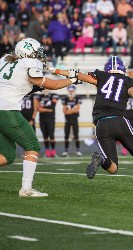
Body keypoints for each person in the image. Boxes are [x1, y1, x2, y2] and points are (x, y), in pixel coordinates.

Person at [48, 56, 133, 195]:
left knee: (113, 168)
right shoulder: (128, 81)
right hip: (120, 121)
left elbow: (78, 74)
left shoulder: (101, 76)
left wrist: (55, 70)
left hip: (102, 125)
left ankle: (102, 160)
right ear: (123, 69)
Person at [0, 37, 79, 197]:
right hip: (7, 110)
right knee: (32, 145)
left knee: (7, 155)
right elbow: (53, 85)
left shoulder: (4, 60)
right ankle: (26, 189)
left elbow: (19, 84)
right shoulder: (29, 63)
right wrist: (72, 79)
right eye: (36, 53)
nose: (39, 56)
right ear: (28, 53)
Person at [36, 89, 59, 158]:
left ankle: (53, 151)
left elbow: (52, 107)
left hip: (51, 119)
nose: (45, 89)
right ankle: (47, 152)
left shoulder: (54, 95)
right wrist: (47, 109)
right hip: (42, 119)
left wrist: (43, 108)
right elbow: (38, 108)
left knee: (51, 136)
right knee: (45, 137)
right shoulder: (39, 96)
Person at [61, 85, 82, 157]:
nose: (71, 92)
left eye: (72, 91)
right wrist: (72, 111)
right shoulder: (65, 99)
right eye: (70, 91)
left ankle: (78, 150)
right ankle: (66, 150)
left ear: (74, 91)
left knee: (76, 135)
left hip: (75, 119)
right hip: (67, 119)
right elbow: (64, 111)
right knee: (66, 135)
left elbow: (77, 110)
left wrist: (69, 111)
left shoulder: (77, 98)